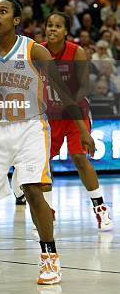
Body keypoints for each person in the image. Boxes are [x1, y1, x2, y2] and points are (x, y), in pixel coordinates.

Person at [0, 0, 95, 286]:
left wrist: (83, 130)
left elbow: (64, 93)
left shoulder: (34, 51)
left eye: (2, 11)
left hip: (30, 127)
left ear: (15, 20)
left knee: (33, 190)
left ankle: (50, 257)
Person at [41, 12, 112, 230]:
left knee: (79, 158)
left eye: (58, 26)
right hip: (49, 116)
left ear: (65, 31)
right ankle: (47, 212)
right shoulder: (38, 51)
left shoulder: (76, 52)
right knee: (42, 163)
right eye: (49, 25)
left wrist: (69, 101)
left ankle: (100, 208)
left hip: (75, 114)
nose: (52, 29)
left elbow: (84, 87)